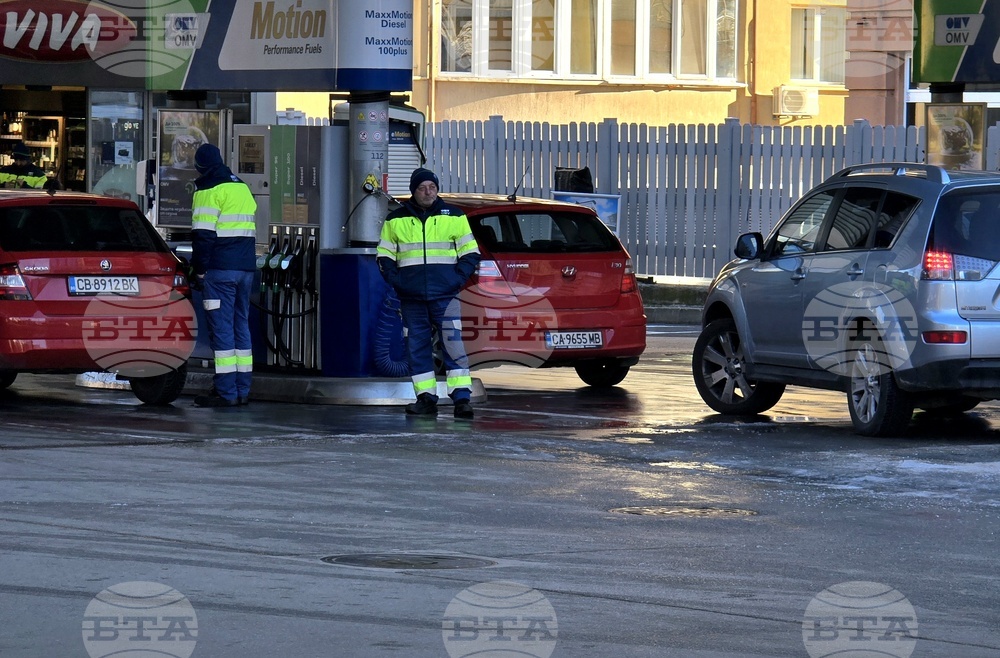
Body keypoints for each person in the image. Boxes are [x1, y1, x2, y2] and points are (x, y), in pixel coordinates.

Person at [377, 167, 481, 418]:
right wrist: (398, 282)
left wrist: (456, 281)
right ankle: (425, 399)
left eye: (432, 187)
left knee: (453, 346)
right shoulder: (396, 219)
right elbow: (385, 256)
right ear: (414, 191)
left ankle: (462, 400)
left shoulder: (454, 216)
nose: (428, 192)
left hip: (446, 296)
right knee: (417, 348)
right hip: (411, 297)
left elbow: (471, 253)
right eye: (423, 188)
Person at [190, 143, 257, 408]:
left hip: (220, 271)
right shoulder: (241, 186)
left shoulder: (208, 190)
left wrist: (199, 270)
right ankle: (242, 390)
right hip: (246, 270)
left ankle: (226, 392)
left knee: (222, 330)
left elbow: (203, 237)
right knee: (241, 326)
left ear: (200, 167)